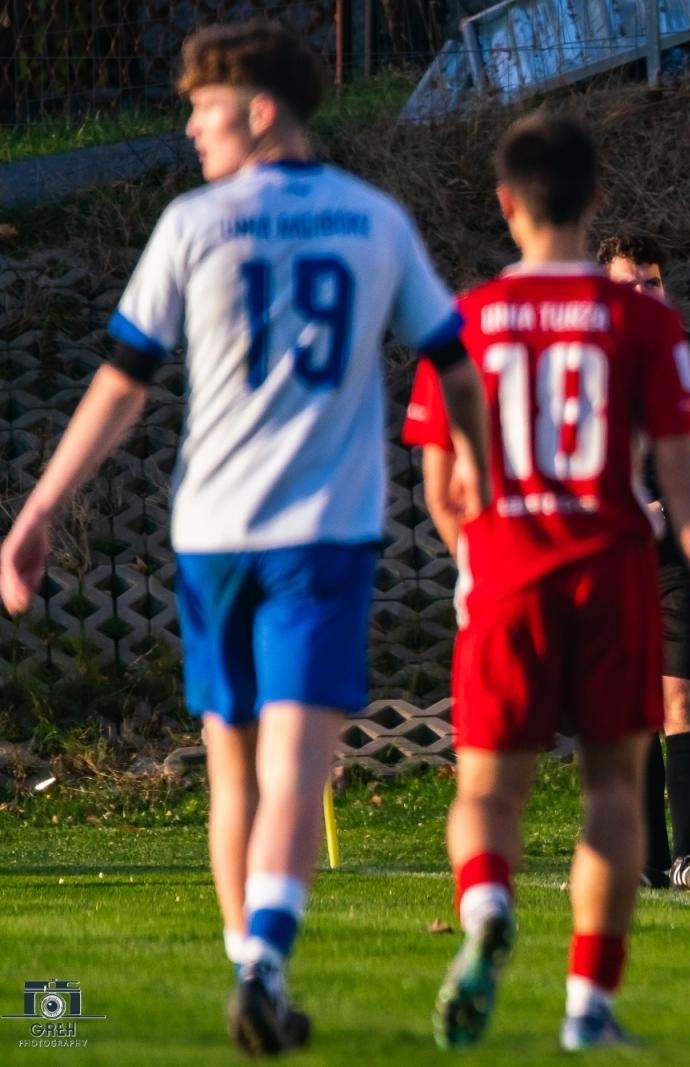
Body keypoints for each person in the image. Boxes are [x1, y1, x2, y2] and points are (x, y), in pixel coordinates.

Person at [0, 21, 491, 1056]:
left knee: (235, 768)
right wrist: (477, 472)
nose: (187, 127)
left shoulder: (193, 225)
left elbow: (122, 385)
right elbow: (453, 357)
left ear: (260, 110)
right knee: (296, 765)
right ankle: (265, 964)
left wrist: (38, 508)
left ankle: (248, 966)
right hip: (323, 534)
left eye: (202, 106)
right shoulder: (374, 220)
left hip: (212, 535)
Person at [401, 114, 690, 1052]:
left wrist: (481, 557)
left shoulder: (460, 320)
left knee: (487, 790)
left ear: (505, 205)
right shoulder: (644, 320)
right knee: (612, 793)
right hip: (615, 572)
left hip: (508, 572)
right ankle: (588, 1007)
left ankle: (484, 913)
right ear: (594, 201)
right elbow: (684, 473)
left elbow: (441, 489)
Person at [596, 232, 690, 893]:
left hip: (680, 558)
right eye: (626, 283)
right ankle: (648, 860)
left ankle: (687, 854)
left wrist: (672, 507)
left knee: (682, 701)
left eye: (650, 282)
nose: (640, 294)